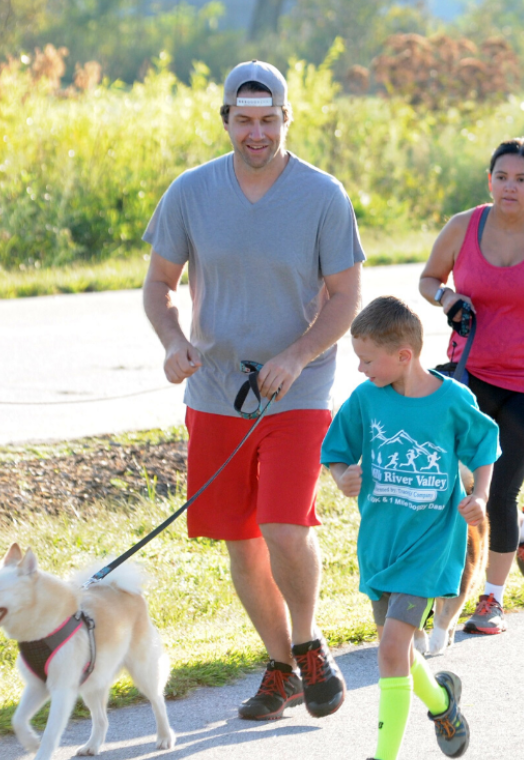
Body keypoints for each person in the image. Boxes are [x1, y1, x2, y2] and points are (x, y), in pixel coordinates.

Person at [141, 60, 363, 721]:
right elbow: (159, 286)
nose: (257, 133)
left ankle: (308, 641)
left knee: (282, 523)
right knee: (242, 539)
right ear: (227, 121)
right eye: (245, 120)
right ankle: (285, 664)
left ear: (286, 119)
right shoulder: (191, 192)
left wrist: (298, 355)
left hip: (297, 388)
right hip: (215, 392)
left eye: (269, 120)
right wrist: (173, 344)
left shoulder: (323, 195)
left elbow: (347, 295)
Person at [321, 296, 500, 760]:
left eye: (366, 359)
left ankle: (383, 756)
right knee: (395, 649)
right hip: (382, 543)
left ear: (404, 356)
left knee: (392, 647)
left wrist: (478, 496)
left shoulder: (454, 401)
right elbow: (335, 450)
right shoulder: (366, 400)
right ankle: (443, 705)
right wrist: (343, 477)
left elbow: (484, 446)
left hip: (430, 546)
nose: (360, 370)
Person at [418, 137, 524, 635]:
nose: (511, 186)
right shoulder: (464, 227)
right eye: (502, 177)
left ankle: (492, 599)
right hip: (470, 375)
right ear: (490, 180)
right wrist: (447, 298)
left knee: (500, 490)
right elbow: (427, 279)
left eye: (522, 179)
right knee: (451, 484)